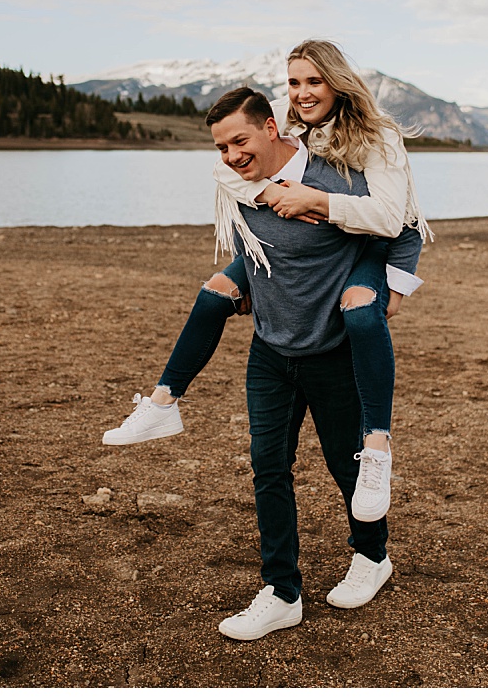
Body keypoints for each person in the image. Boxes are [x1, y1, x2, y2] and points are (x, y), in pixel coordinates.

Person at [103, 55, 429, 639]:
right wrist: (246, 282)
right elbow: (247, 229)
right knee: (267, 467)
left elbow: (398, 224)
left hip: (329, 350)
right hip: (270, 353)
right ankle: (281, 591)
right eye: (222, 145)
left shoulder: (341, 176)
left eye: (240, 141)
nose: (231, 155)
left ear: (270, 128)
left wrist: (392, 286)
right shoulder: (242, 180)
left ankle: (373, 557)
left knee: (343, 465)